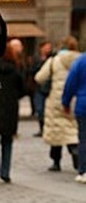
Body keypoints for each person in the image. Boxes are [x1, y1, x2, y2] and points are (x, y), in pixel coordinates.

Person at [33, 35, 80, 173]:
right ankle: (76, 156)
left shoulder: (54, 61)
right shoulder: (81, 60)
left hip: (55, 100)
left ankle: (56, 161)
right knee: (73, 130)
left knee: (56, 130)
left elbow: (39, 78)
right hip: (75, 99)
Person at [0, 39, 25, 184]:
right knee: (7, 142)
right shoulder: (15, 70)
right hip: (10, 110)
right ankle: (5, 172)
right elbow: (23, 89)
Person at [60, 46, 86, 183]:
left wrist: (65, 102)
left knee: (83, 138)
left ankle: (83, 170)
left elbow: (70, 83)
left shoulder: (80, 61)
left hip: (83, 104)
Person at [30, 39, 53, 135]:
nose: (48, 49)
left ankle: (47, 129)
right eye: (46, 47)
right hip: (38, 87)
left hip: (49, 88)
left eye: (49, 47)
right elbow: (32, 71)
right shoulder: (36, 59)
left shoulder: (52, 58)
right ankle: (42, 128)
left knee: (47, 110)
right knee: (39, 109)